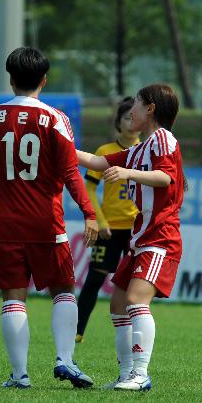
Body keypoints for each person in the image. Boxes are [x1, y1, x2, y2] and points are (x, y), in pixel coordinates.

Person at [0, 46, 99, 389]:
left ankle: (20, 375)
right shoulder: (55, 119)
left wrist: (2, 201)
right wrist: (89, 212)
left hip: (6, 221)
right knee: (63, 289)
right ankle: (64, 360)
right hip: (47, 221)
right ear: (44, 80)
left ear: (11, 78)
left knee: (13, 297)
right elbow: (70, 172)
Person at [76, 84, 185, 392]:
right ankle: (126, 375)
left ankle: (140, 374)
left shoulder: (163, 138)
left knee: (136, 301)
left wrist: (128, 174)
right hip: (141, 238)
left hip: (160, 237)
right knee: (118, 305)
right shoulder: (141, 147)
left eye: (136, 104)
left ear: (150, 108)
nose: (131, 110)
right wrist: (60, 147)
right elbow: (98, 163)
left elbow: (166, 178)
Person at [76, 97, 140, 343]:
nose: (132, 122)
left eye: (134, 117)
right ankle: (78, 331)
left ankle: (135, 336)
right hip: (110, 229)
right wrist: (99, 220)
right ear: (118, 123)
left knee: (134, 287)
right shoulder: (105, 152)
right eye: (127, 117)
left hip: (136, 231)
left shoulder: (146, 150)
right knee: (94, 279)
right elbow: (89, 188)